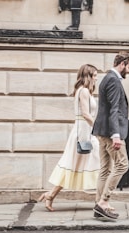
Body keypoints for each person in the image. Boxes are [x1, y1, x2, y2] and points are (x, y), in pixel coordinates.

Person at [38, 64, 100, 211]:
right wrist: (97, 128)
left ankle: (51, 195)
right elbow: (85, 114)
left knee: (77, 165)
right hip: (83, 133)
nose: (96, 78)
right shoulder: (84, 91)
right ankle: (102, 201)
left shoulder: (85, 91)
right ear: (88, 76)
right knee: (86, 163)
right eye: (95, 75)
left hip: (85, 132)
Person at [92, 51, 129, 220]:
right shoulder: (114, 81)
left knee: (105, 169)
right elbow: (114, 110)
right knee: (123, 165)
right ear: (122, 64)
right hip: (110, 132)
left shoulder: (107, 78)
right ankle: (104, 201)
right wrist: (116, 135)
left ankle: (98, 205)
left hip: (102, 131)